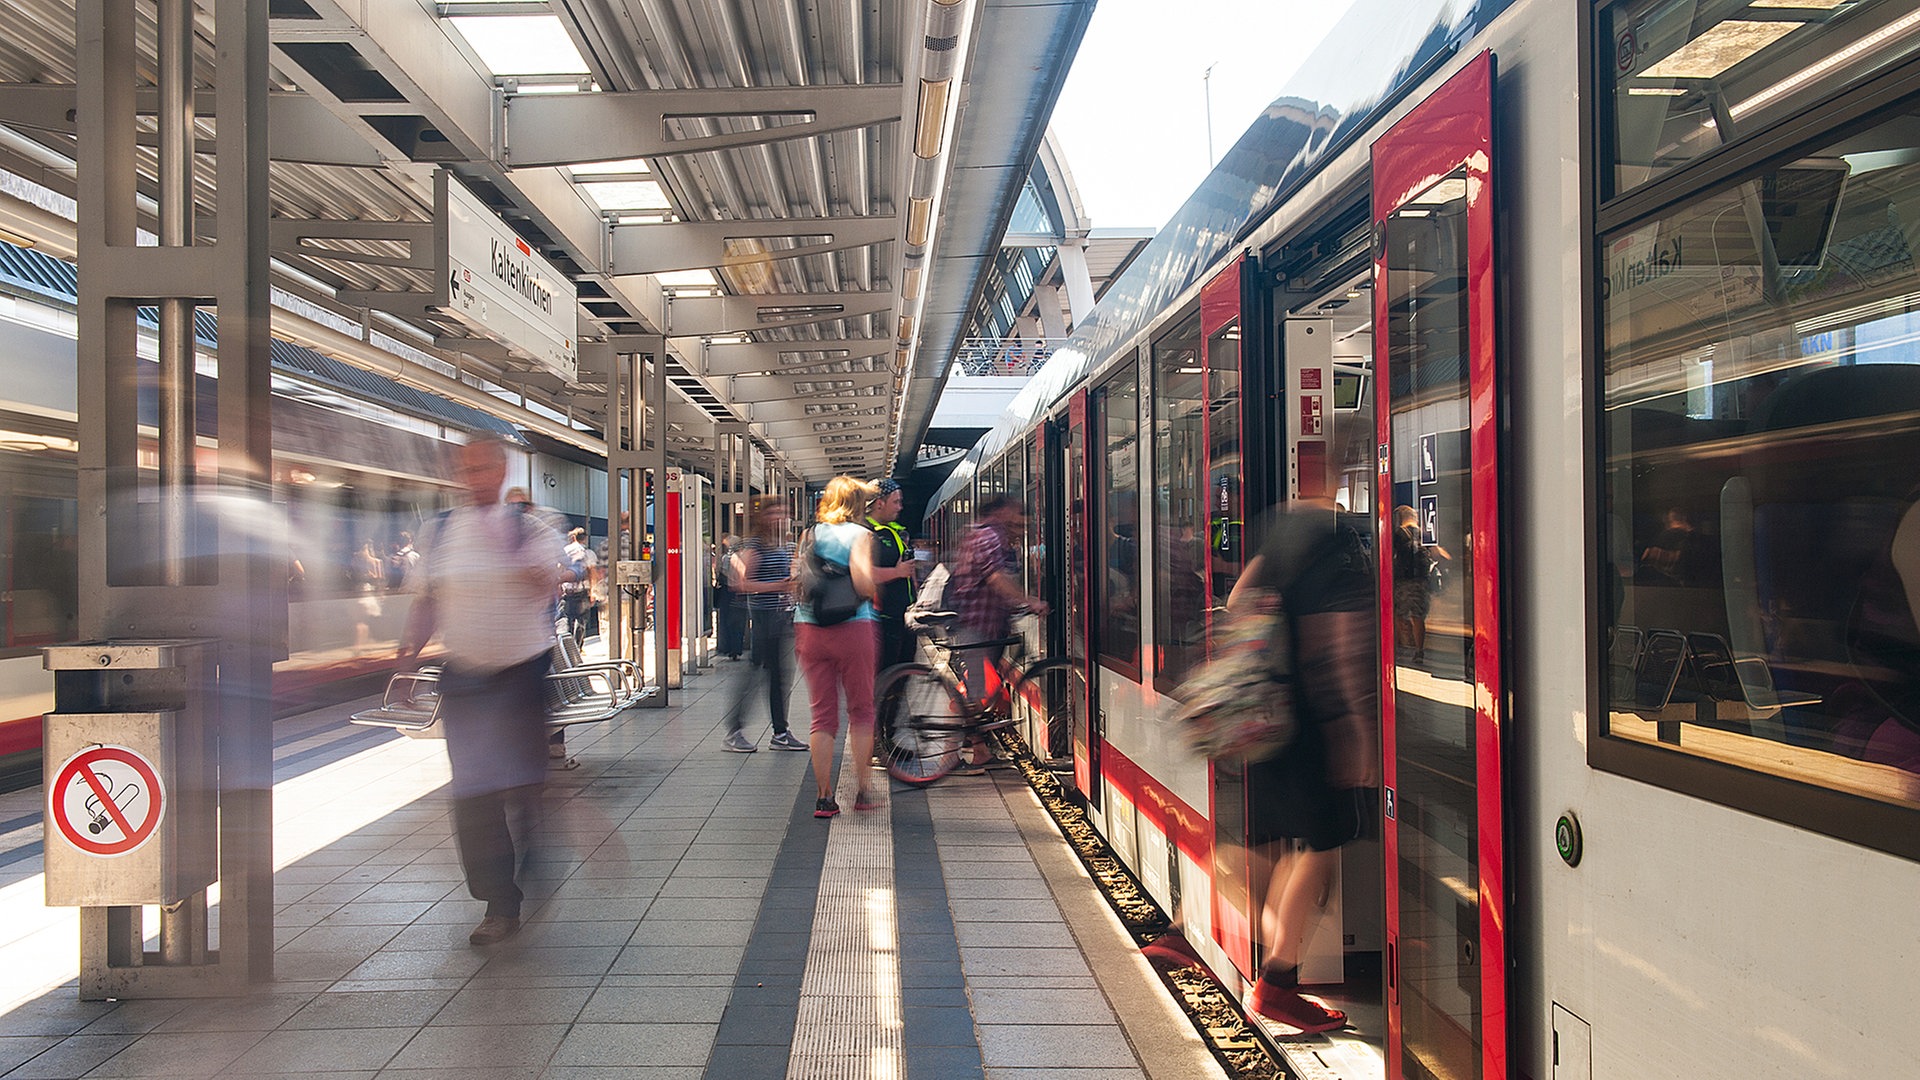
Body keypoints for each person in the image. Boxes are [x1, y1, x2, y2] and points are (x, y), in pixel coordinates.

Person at [398, 436, 574, 947]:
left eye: (483, 468)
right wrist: (405, 658)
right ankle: (500, 901)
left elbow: (548, 584)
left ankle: (534, 852)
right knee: (473, 793)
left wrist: (526, 567)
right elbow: (427, 600)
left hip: (521, 674)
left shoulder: (536, 529)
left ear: (501, 473)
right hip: (465, 676)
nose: (473, 477)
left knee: (522, 786)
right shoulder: (440, 532)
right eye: (466, 468)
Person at [1229, 500, 1377, 1032]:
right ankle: (1278, 981)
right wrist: (1353, 728)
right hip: (1314, 722)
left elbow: (1236, 602)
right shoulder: (1337, 546)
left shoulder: (1281, 538)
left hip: (1269, 717)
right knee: (1321, 849)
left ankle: (1268, 968)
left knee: (1298, 846)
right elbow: (1337, 646)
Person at [794, 476, 882, 817]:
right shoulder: (861, 535)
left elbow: (797, 580)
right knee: (861, 711)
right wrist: (871, 586)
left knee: (822, 716)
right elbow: (862, 582)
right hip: (852, 628)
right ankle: (862, 791)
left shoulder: (809, 534)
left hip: (810, 628)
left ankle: (824, 797)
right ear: (858, 504)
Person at [945, 494, 1048, 770]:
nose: (1021, 520)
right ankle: (947, 752)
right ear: (1002, 511)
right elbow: (996, 578)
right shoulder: (989, 536)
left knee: (981, 690)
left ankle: (978, 748)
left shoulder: (985, 534)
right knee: (976, 690)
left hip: (984, 624)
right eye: (1016, 512)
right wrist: (1029, 601)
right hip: (978, 625)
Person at [722, 500, 807, 753]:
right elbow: (742, 584)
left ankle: (779, 732)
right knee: (760, 675)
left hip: (778, 618)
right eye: (775, 513)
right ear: (764, 517)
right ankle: (737, 731)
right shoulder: (756, 545)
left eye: (784, 512)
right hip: (763, 618)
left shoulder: (778, 544)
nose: (781, 517)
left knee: (776, 676)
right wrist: (778, 587)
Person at [864, 478, 918, 672]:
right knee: (886, 675)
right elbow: (862, 573)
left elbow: (908, 571)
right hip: (882, 619)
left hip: (902, 616)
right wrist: (897, 572)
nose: (900, 507)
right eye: (896, 502)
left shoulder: (894, 531)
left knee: (902, 674)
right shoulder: (866, 532)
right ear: (880, 503)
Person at [1391, 504, 1449, 665]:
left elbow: (1388, 556)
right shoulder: (1425, 534)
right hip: (1422, 581)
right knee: (1418, 617)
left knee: (1398, 615)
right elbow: (1440, 554)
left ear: (1400, 517)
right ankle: (1419, 651)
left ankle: (1398, 647)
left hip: (1402, 581)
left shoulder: (1398, 534)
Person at [561, 527, 596, 643]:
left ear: (573, 537)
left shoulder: (565, 551)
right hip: (582, 590)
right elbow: (592, 573)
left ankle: (568, 646)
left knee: (567, 620)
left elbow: (559, 568)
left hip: (567, 591)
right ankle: (578, 646)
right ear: (585, 538)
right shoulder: (588, 553)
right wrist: (593, 592)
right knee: (581, 620)